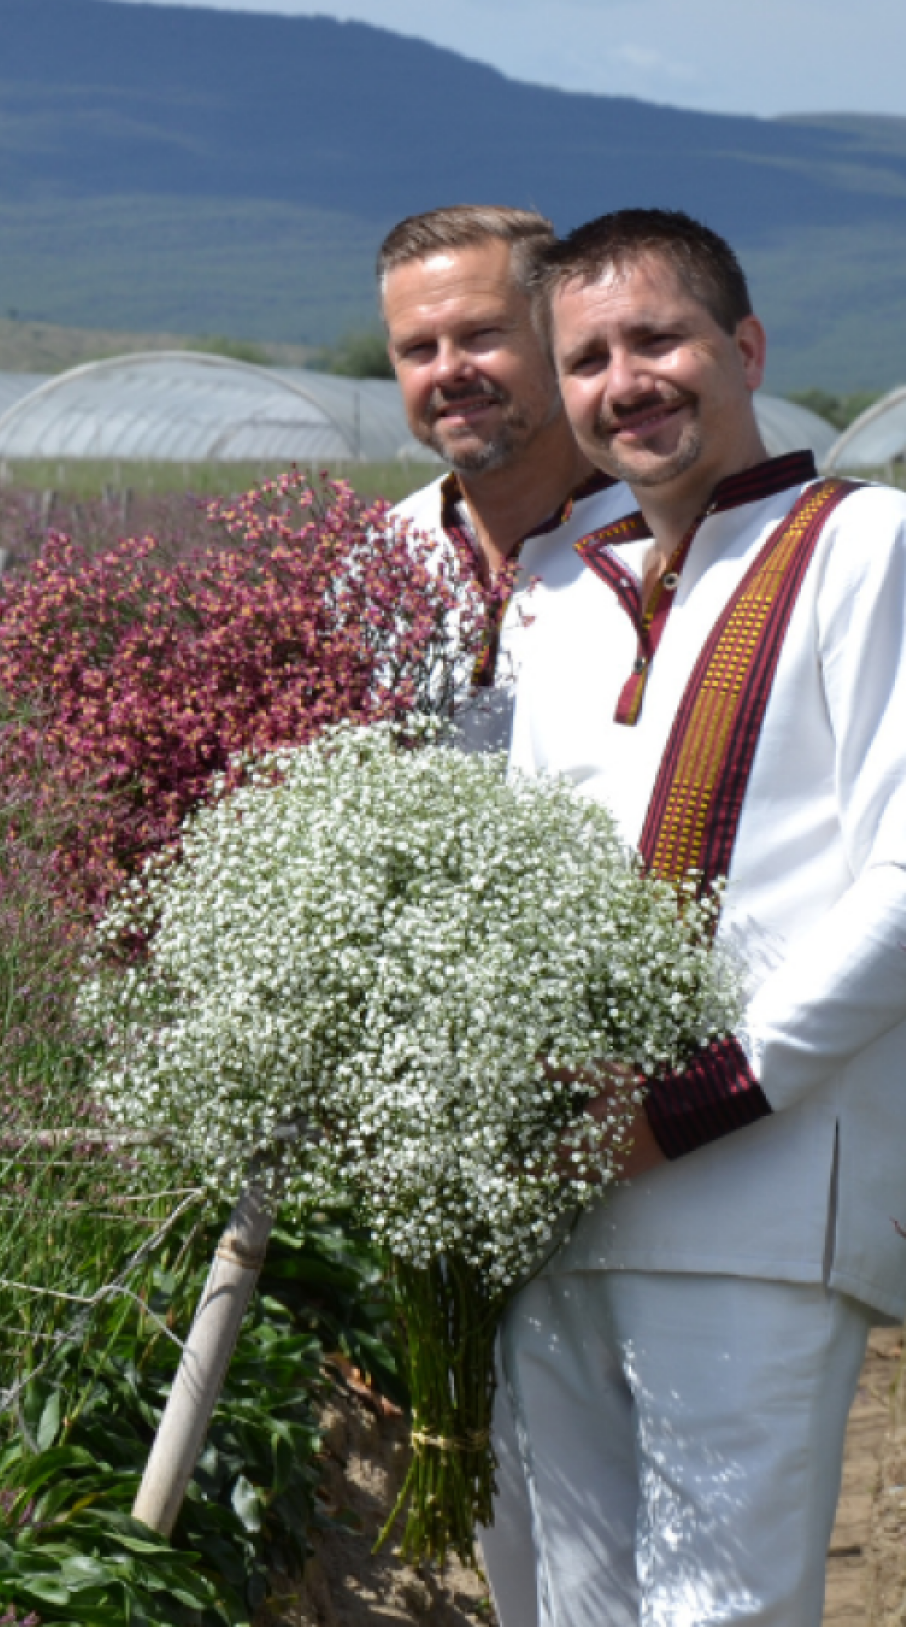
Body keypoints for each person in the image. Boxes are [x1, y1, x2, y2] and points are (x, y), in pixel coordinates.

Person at [504, 208, 906, 1623]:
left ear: (743, 345)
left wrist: (693, 1097)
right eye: (588, 356)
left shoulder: (869, 547)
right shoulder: (562, 584)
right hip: (560, 1191)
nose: (627, 379)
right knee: (563, 1601)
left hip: (756, 1185)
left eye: (658, 337)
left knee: (715, 1610)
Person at [377, 205, 634, 758]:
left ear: (559, 339)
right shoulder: (376, 560)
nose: (448, 370)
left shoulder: (664, 544)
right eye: (418, 349)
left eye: (481, 335)